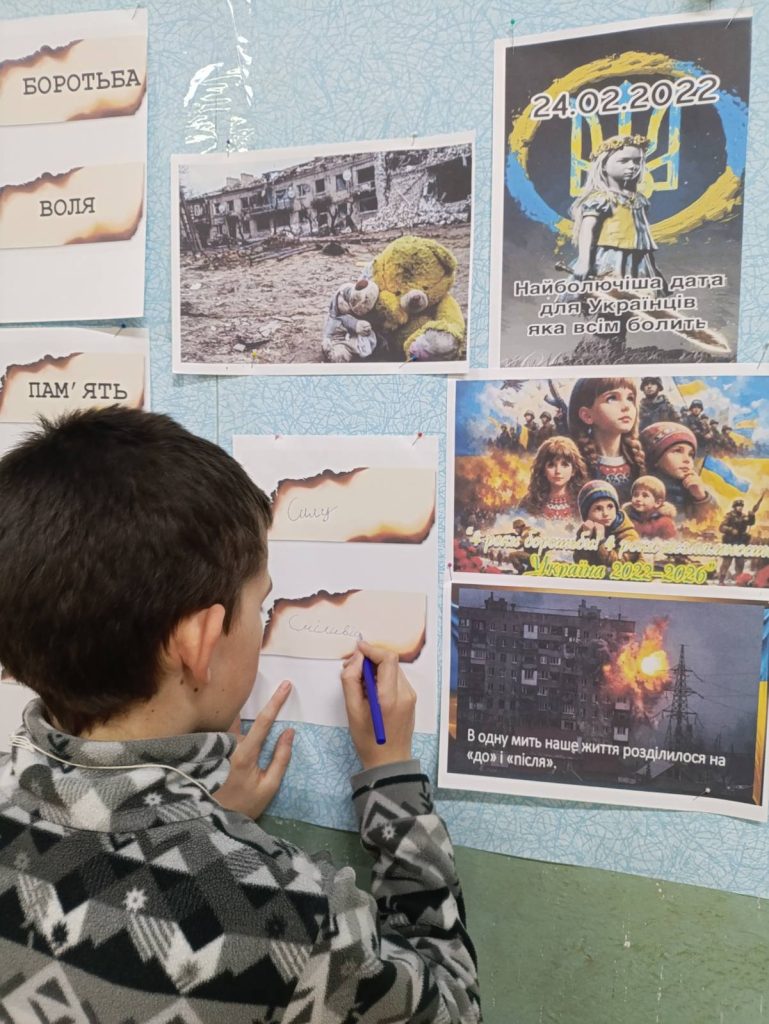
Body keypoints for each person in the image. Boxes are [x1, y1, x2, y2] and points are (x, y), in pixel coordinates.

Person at [0, 408, 480, 1024]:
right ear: (200, 643)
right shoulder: (294, 920)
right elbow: (453, 1004)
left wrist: (206, 819)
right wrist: (393, 782)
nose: (263, 621)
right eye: (261, 605)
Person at [570, 134, 666, 291]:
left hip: (639, 259)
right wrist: (584, 261)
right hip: (612, 258)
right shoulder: (602, 198)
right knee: (612, 295)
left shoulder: (639, 199)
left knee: (641, 296)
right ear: (603, 165)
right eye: (624, 161)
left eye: (637, 161)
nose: (632, 166)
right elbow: (587, 229)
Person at [568, 376, 646, 503]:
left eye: (630, 398)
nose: (626, 406)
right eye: (612, 398)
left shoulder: (637, 463)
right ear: (587, 415)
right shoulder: (575, 466)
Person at [640, 421, 713, 521]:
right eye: (677, 451)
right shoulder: (640, 492)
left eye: (690, 454)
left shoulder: (692, 491)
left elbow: (714, 522)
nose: (687, 460)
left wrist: (701, 498)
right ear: (656, 458)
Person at [521, 436, 588, 523]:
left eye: (564, 465)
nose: (558, 471)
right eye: (551, 465)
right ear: (543, 470)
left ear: (573, 470)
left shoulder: (584, 501)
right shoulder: (529, 503)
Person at [575, 480, 640, 567]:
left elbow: (618, 565)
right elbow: (580, 561)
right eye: (598, 508)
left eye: (610, 506)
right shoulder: (587, 529)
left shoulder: (629, 535)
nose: (606, 513)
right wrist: (586, 538)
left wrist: (601, 541)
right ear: (587, 515)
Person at [622, 475, 677, 540]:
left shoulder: (665, 522)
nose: (638, 499)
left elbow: (671, 542)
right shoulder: (627, 519)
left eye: (645, 496)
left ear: (657, 503)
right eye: (635, 495)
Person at [718, 497, 758, 584]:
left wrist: (752, 516)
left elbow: (750, 522)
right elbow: (721, 527)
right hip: (730, 542)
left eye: (741, 506)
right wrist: (731, 530)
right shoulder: (729, 516)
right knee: (726, 562)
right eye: (738, 506)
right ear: (734, 507)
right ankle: (721, 580)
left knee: (740, 563)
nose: (740, 507)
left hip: (740, 542)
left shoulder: (744, 516)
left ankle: (739, 580)